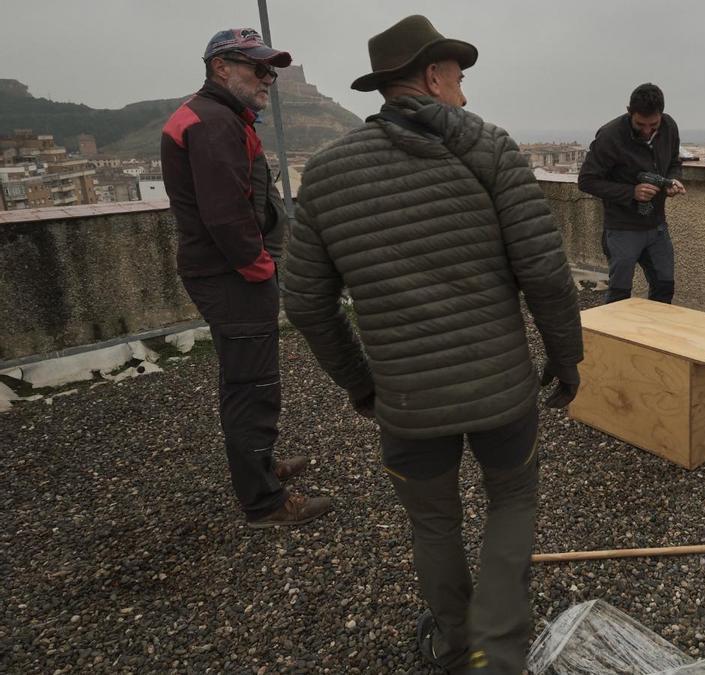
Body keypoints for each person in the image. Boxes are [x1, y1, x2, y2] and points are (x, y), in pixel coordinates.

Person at [281, 15, 583, 674]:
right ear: (432, 77)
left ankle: (456, 646)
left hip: (409, 401)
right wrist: (567, 360)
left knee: (435, 522)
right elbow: (547, 276)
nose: (466, 96)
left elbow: (305, 302)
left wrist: (362, 382)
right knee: (513, 500)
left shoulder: (326, 175)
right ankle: (497, 654)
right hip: (501, 387)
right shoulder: (492, 149)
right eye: (460, 80)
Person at [161, 28, 330, 528]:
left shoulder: (217, 115)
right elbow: (225, 214)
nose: (268, 79)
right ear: (221, 68)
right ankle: (265, 502)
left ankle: (260, 468)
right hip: (233, 276)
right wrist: (260, 268)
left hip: (228, 273)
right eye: (258, 68)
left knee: (248, 381)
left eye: (272, 70)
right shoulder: (213, 123)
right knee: (252, 387)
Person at [578, 83, 685, 304]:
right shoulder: (610, 136)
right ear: (629, 112)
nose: (647, 130)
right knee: (619, 295)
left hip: (657, 226)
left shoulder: (669, 127)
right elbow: (586, 181)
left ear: (662, 115)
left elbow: (674, 162)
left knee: (665, 287)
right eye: (640, 124)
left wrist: (672, 180)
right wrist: (631, 192)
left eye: (653, 125)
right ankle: (612, 337)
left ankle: (653, 337)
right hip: (622, 228)